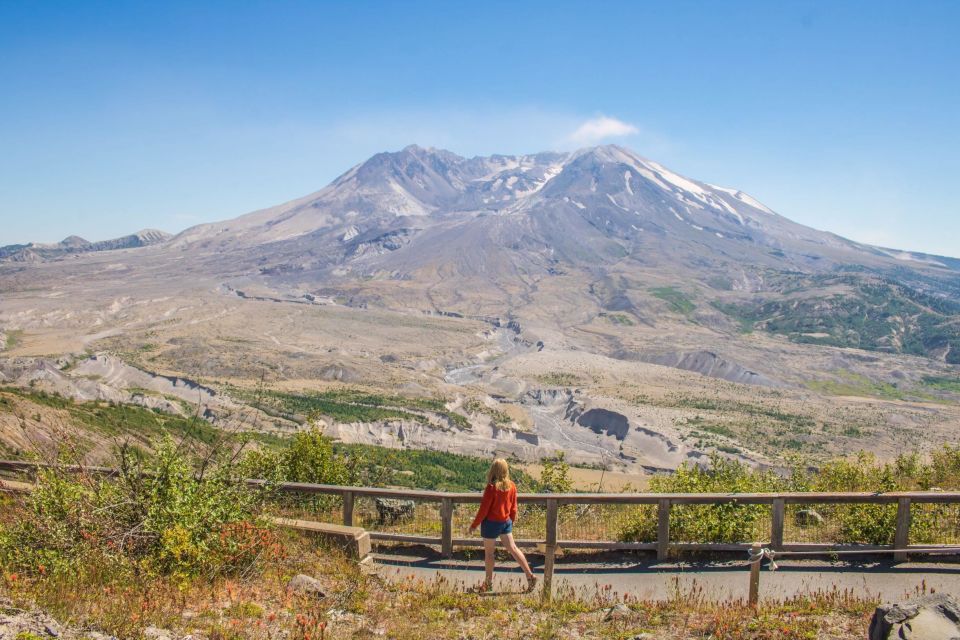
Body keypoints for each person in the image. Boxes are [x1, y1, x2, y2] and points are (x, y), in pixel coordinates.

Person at [469, 458, 537, 593]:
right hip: (505, 522)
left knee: (489, 554)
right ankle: (530, 575)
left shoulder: (491, 487)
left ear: (493, 470)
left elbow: (484, 509)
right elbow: (514, 508)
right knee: (513, 549)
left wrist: (474, 525)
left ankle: (488, 584)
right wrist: (510, 521)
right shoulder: (511, 486)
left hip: (491, 524)